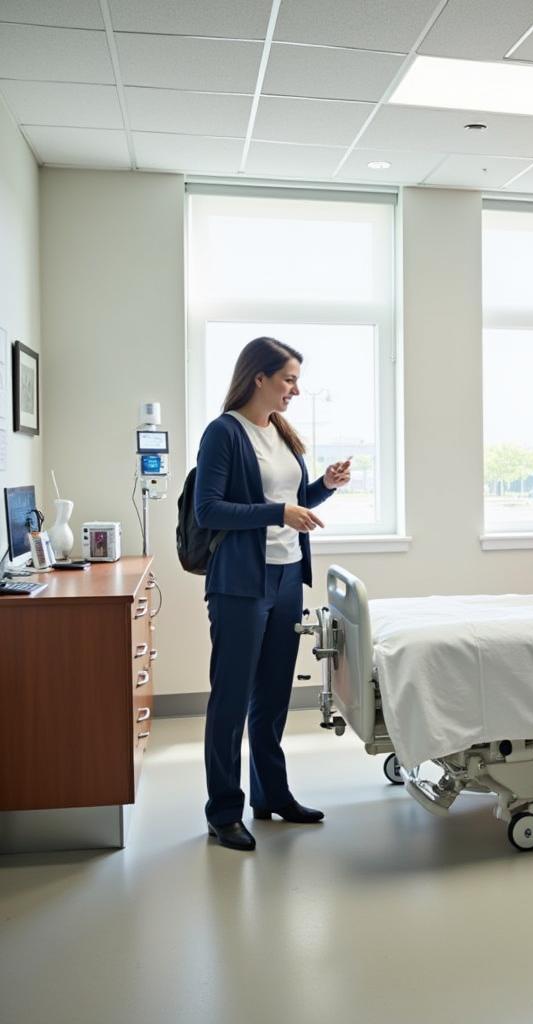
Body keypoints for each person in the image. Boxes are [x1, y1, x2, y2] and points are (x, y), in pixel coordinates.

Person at [195, 337, 351, 852]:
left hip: (286, 578)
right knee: (231, 700)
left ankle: (272, 795)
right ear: (258, 378)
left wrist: (323, 486)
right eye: (288, 379)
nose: (295, 390)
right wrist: (277, 512)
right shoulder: (224, 433)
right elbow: (210, 511)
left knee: (273, 698)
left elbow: (292, 501)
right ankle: (223, 812)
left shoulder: (279, 431)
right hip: (240, 583)